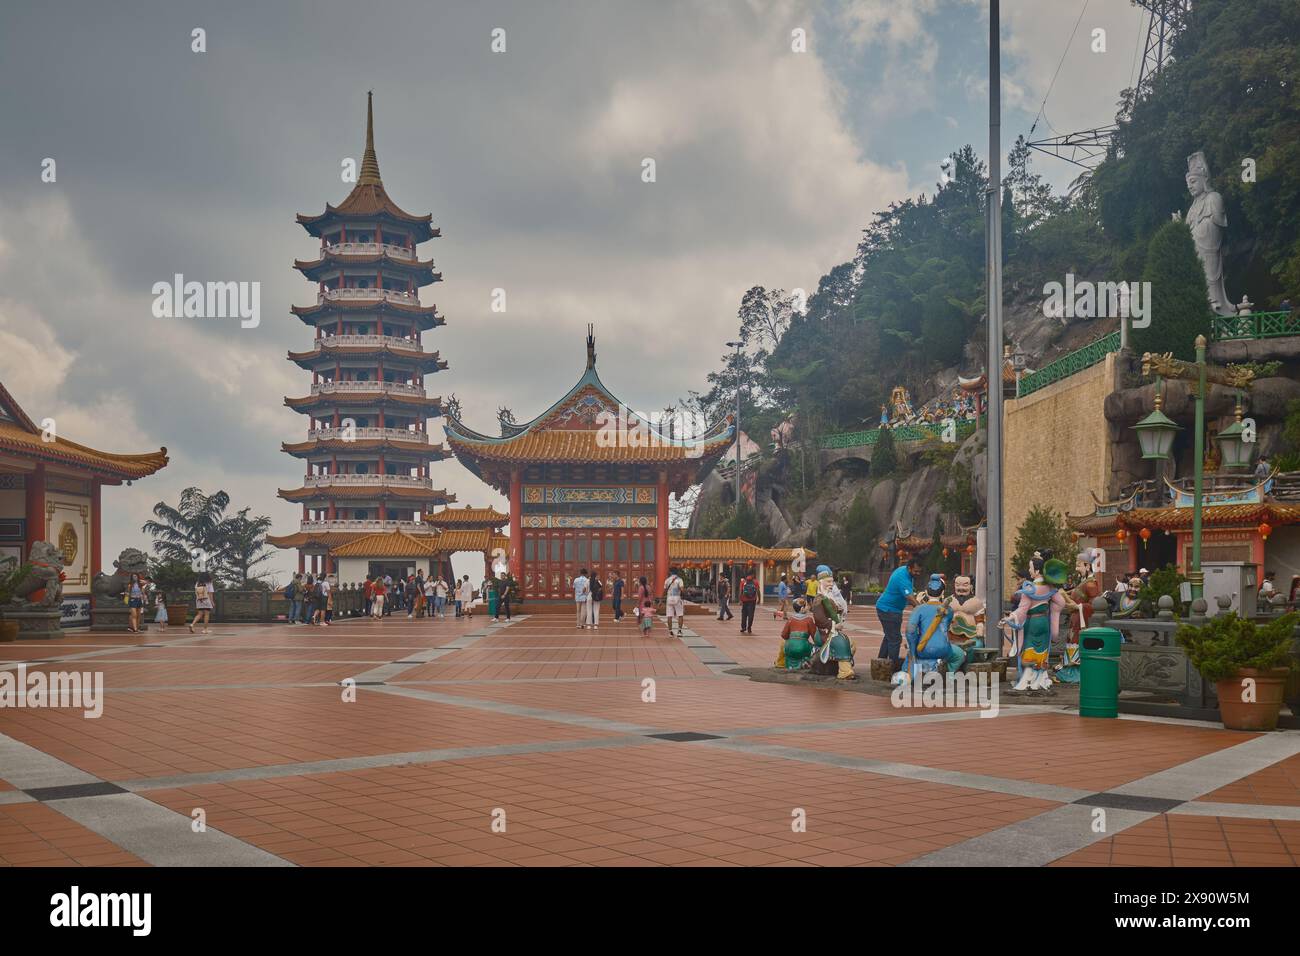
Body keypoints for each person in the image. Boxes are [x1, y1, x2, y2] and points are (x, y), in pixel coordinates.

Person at [876, 557, 921, 674]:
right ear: (909, 568)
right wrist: (921, 608)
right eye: (916, 571)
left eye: (919, 571)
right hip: (889, 610)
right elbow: (909, 597)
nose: (918, 573)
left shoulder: (904, 571)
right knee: (895, 640)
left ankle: (880, 662)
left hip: (889, 609)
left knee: (889, 637)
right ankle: (893, 668)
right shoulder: (903, 578)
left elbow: (910, 592)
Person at [663, 568, 684, 637]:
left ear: (670, 572)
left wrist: (661, 599)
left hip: (669, 599)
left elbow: (665, 591)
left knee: (669, 616)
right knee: (680, 615)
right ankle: (679, 631)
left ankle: (670, 632)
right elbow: (682, 589)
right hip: (677, 598)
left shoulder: (667, 580)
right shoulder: (679, 580)